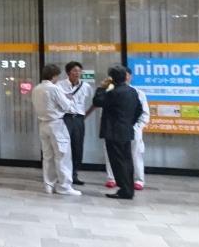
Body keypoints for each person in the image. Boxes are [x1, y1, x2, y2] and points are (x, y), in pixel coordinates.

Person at [92, 66, 144, 200]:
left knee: (118, 162)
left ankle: (124, 190)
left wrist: (101, 87)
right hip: (126, 130)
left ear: (112, 78)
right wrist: (129, 123)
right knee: (127, 161)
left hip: (113, 132)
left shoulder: (113, 92)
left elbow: (97, 101)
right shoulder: (132, 91)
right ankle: (128, 189)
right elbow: (139, 110)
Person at [32, 64, 79, 196]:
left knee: (48, 156)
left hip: (43, 124)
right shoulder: (54, 88)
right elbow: (66, 106)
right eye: (57, 75)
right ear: (54, 76)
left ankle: (48, 185)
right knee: (62, 156)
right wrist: (69, 99)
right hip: (56, 125)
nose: (58, 78)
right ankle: (64, 186)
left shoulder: (36, 88)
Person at [105, 66, 149, 191]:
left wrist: (135, 126)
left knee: (135, 154)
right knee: (112, 155)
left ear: (129, 76)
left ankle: (138, 179)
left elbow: (143, 112)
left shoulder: (137, 92)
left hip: (132, 129)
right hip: (114, 129)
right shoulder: (110, 91)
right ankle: (112, 178)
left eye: (127, 74)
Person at [57, 61, 95, 185]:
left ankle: (74, 174)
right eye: (74, 70)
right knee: (63, 147)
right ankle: (62, 174)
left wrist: (85, 115)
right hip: (65, 118)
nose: (77, 73)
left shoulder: (86, 86)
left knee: (77, 147)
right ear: (68, 72)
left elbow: (94, 102)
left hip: (78, 119)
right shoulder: (60, 85)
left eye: (79, 71)